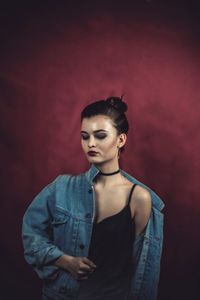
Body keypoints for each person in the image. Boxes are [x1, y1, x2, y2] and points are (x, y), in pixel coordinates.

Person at [22, 96, 165, 300]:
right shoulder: (61, 187)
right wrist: (64, 260)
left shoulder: (139, 198)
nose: (90, 144)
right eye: (84, 136)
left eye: (100, 136)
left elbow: (141, 272)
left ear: (121, 139)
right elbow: (31, 234)